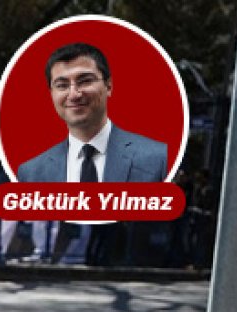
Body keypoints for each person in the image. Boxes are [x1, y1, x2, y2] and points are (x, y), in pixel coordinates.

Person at [16, 43, 168, 266]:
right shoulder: (33, 168)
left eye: (86, 81)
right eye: (62, 85)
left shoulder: (153, 158)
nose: (74, 94)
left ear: (108, 86)